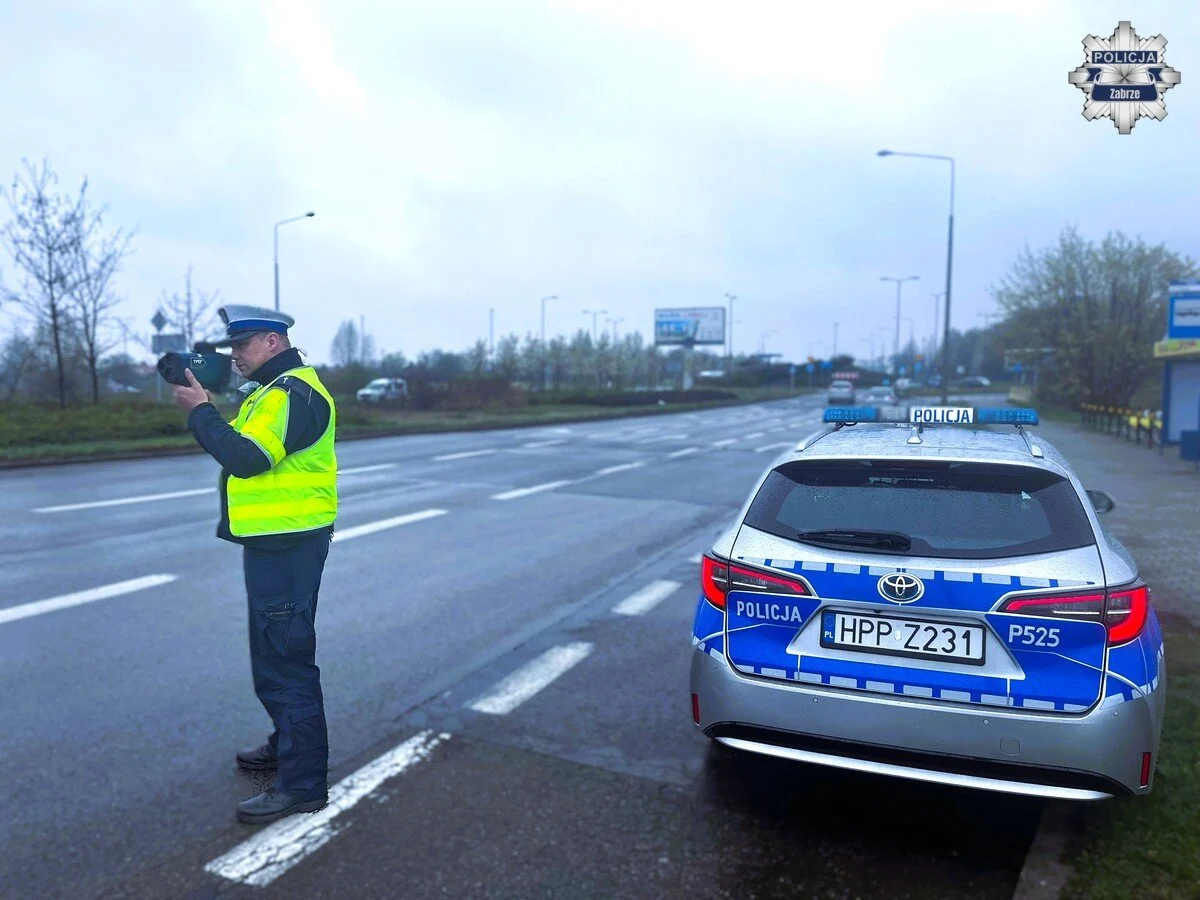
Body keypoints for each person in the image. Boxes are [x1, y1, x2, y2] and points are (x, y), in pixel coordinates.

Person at [172, 304, 338, 825]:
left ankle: (303, 784)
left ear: (271, 341)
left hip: (289, 547)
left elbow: (245, 458)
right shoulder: (273, 392)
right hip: (276, 544)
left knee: (285, 661)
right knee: (272, 656)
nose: (235, 357)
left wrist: (201, 411)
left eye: (241, 346)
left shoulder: (293, 393)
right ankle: (285, 743)